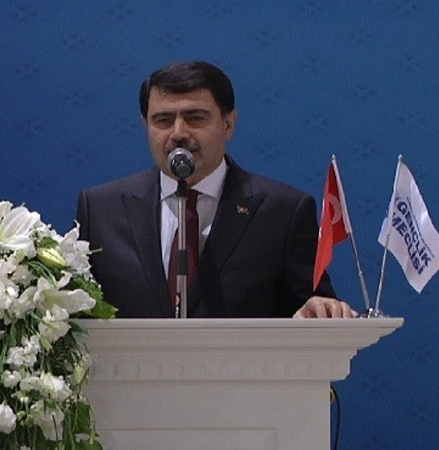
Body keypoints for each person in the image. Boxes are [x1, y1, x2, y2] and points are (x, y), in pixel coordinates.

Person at [75, 60, 356, 319]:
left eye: (195, 118)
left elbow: (314, 310)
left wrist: (316, 308)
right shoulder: (101, 210)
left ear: (228, 124)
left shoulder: (282, 212)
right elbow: (76, 313)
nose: (178, 133)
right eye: (163, 120)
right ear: (145, 125)